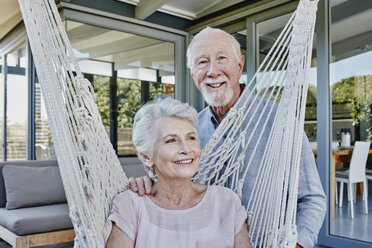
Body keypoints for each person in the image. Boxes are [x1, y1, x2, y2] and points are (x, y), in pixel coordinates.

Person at [129, 27, 326, 248]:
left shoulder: (281, 121)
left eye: (222, 58)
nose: (213, 71)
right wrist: (149, 183)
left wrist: (297, 245)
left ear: (240, 64)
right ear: (191, 72)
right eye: (202, 62)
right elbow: (175, 192)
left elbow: (312, 199)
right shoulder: (190, 130)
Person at [104, 98, 252, 248]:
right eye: (171, 141)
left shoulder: (226, 202)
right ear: (146, 157)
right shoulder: (130, 205)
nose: (186, 149)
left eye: (191, 138)